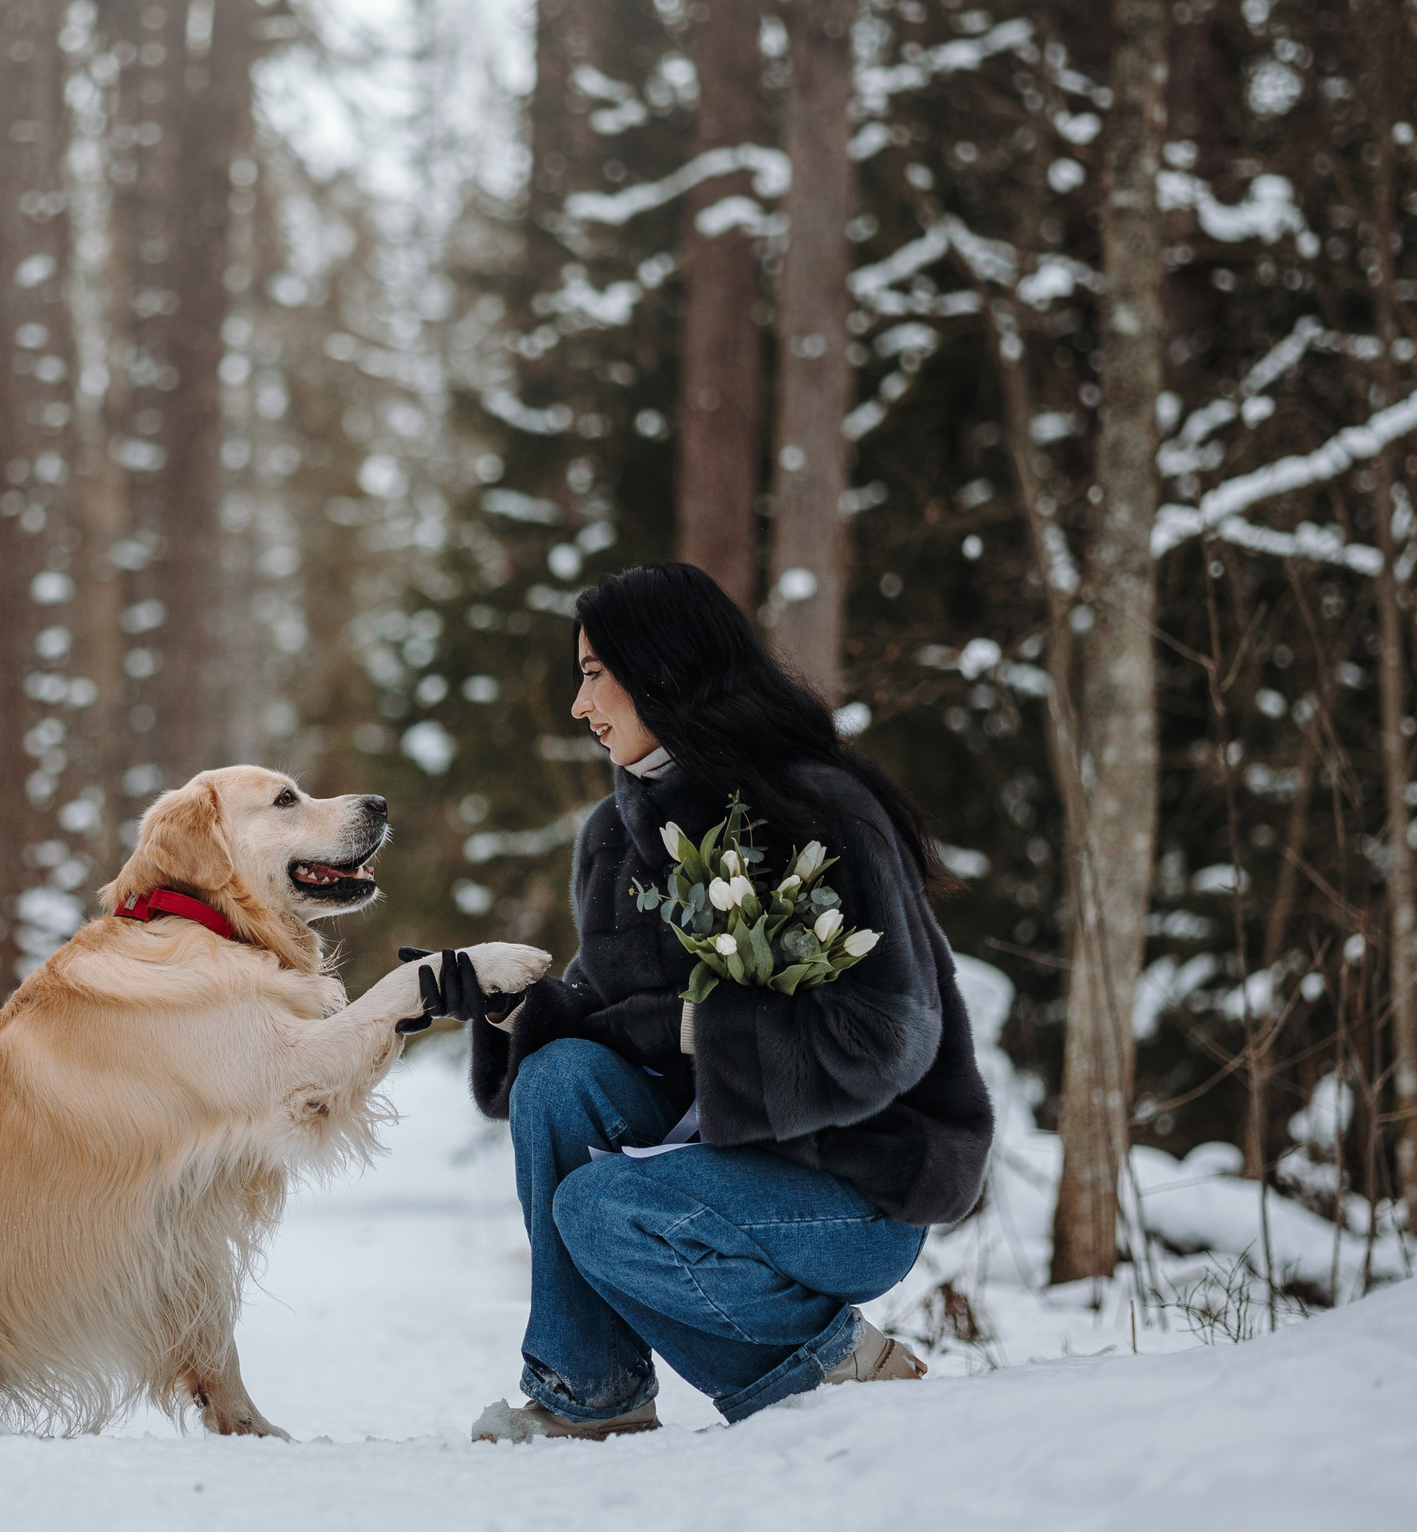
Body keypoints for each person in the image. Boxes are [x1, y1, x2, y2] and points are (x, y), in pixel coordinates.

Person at [420, 562, 994, 1442]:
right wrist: (510, 1009)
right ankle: (592, 1389)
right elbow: (605, 1022)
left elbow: (889, 1035)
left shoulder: (817, 808)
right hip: (706, 1163)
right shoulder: (616, 836)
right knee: (556, 1076)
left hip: (856, 1183)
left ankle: (832, 1365)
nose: (579, 704)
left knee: (599, 1207)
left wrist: (703, 1029)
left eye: (593, 673)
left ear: (660, 668)